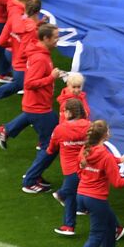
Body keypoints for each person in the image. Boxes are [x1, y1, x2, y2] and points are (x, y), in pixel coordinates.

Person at [0, 21, 64, 194]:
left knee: (54, 135)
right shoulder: (40, 58)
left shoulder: (39, 52)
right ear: (46, 38)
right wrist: (51, 77)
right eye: (55, 37)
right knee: (50, 146)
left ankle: (7, 130)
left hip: (36, 105)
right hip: (39, 108)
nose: (58, 40)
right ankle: (30, 180)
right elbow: (30, 83)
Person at [0, 0, 39, 115]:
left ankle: (31, 115)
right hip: (23, 63)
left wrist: (13, 45)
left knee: (26, 86)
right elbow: (26, 50)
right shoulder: (31, 30)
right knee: (25, 85)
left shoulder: (13, 17)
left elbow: (1, 41)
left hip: (11, 53)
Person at [49, 97, 91, 236]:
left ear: (69, 112)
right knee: (75, 196)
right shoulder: (90, 126)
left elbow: (52, 146)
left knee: (69, 193)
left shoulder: (60, 129)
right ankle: (68, 226)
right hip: (89, 166)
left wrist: (49, 151)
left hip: (71, 169)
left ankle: (115, 227)